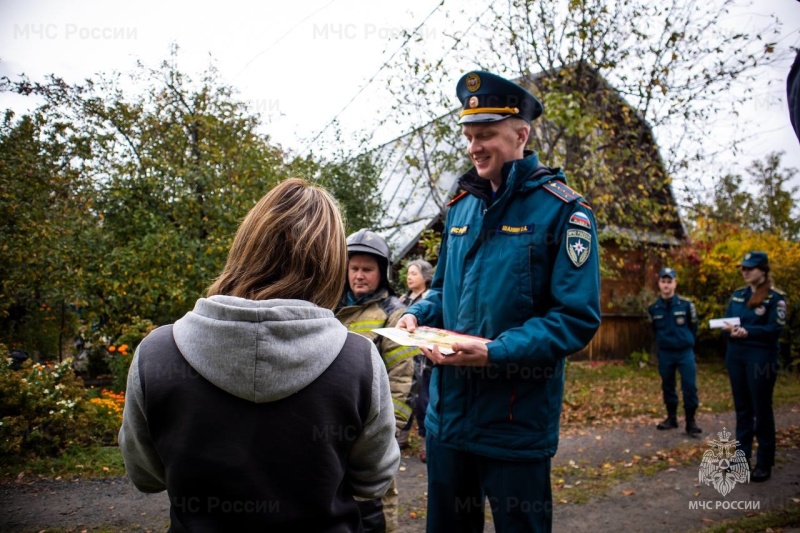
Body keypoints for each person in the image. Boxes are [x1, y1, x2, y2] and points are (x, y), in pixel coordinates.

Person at [118, 178, 400, 531]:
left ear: (246, 246)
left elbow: (145, 476)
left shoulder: (156, 354)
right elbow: (373, 478)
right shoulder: (358, 360)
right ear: (330, 264)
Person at [397, 70, 601, 532]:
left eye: (486, 134)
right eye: (469, 136)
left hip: (514, 423)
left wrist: (494, 351)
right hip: (447, 422)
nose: (474, 147)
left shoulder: (565, 212)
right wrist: (415, 314)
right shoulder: (460, 207)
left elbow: (576, 317)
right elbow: (442, 290)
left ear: (521, 134)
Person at [335, 228, 417, 533]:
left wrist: (387, 436)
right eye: (353, 268)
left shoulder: (394, 315)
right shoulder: (327, 308)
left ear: (382, 273)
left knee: (372, 516)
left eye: (367, 270)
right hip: (330, 435)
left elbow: (403, 378)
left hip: (370, 436)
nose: (358, 276)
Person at [721, 251, 787, 483]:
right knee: (743, 409)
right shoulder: (738, 296)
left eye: (750, 268)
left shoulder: (774, 298)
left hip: (761, 359)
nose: (745, 271)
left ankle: (764, 461)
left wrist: (748, 331)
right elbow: (727, 320)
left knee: (761, 409)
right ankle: (741, 458)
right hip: (736, 356)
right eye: (743, 268)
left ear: (763, 270)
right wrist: (728, 328)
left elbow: (774, 330)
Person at [647, 267, 702, 436]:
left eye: (669, 281)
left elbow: (694, 327)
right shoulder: (653, 308)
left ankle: (690, 422)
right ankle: (671, 418)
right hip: (666, 353)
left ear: (675, 284)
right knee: (668, 386)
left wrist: (686, 341)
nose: (666, 285)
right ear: (659, 284)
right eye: (663, 281)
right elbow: (654, 330)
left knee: (689, 387)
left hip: (684, 352)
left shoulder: (686, 305)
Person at [397, 259, 434, 461]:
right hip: (403, 357)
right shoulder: (403, 300)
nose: (409, 277)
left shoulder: (430, 300)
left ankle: (425, 442)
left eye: (414, 273)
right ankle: (401, 436)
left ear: (426, 277)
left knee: (423, 401)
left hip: (423, 360)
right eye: (408, 273)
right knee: (404, 395)